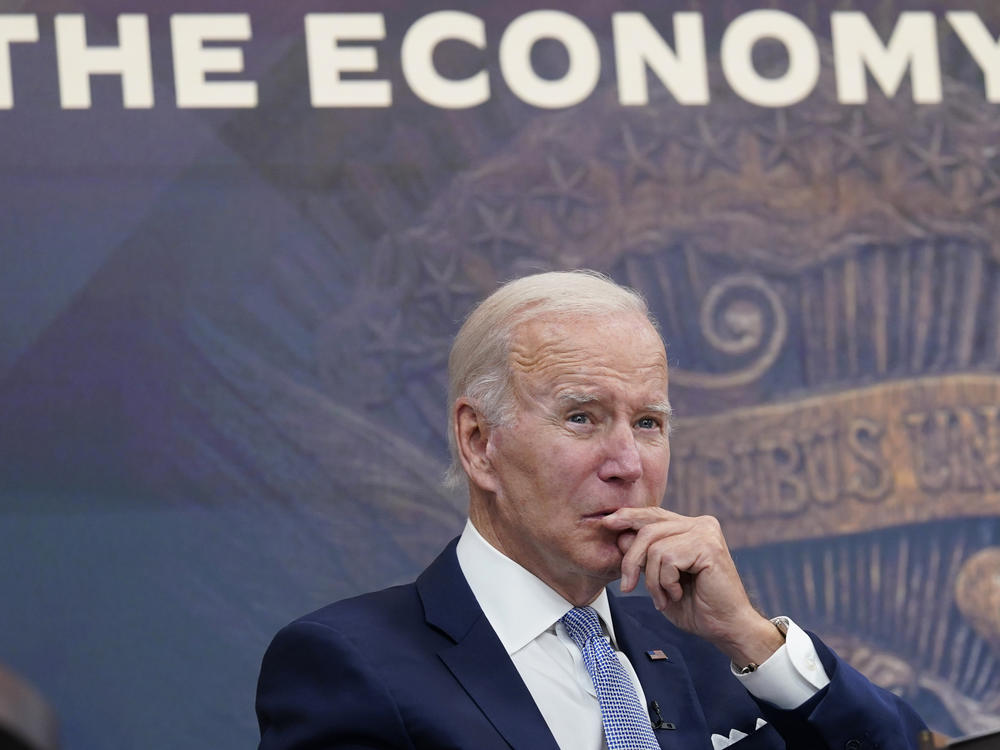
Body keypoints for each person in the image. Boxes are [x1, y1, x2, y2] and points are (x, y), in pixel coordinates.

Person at [256, 270, 927, 749]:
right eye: (582, 418)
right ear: (479, 442)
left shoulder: (713, 654)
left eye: (648, 423)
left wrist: (753, 639)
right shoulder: (352, 663)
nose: (627, 463)